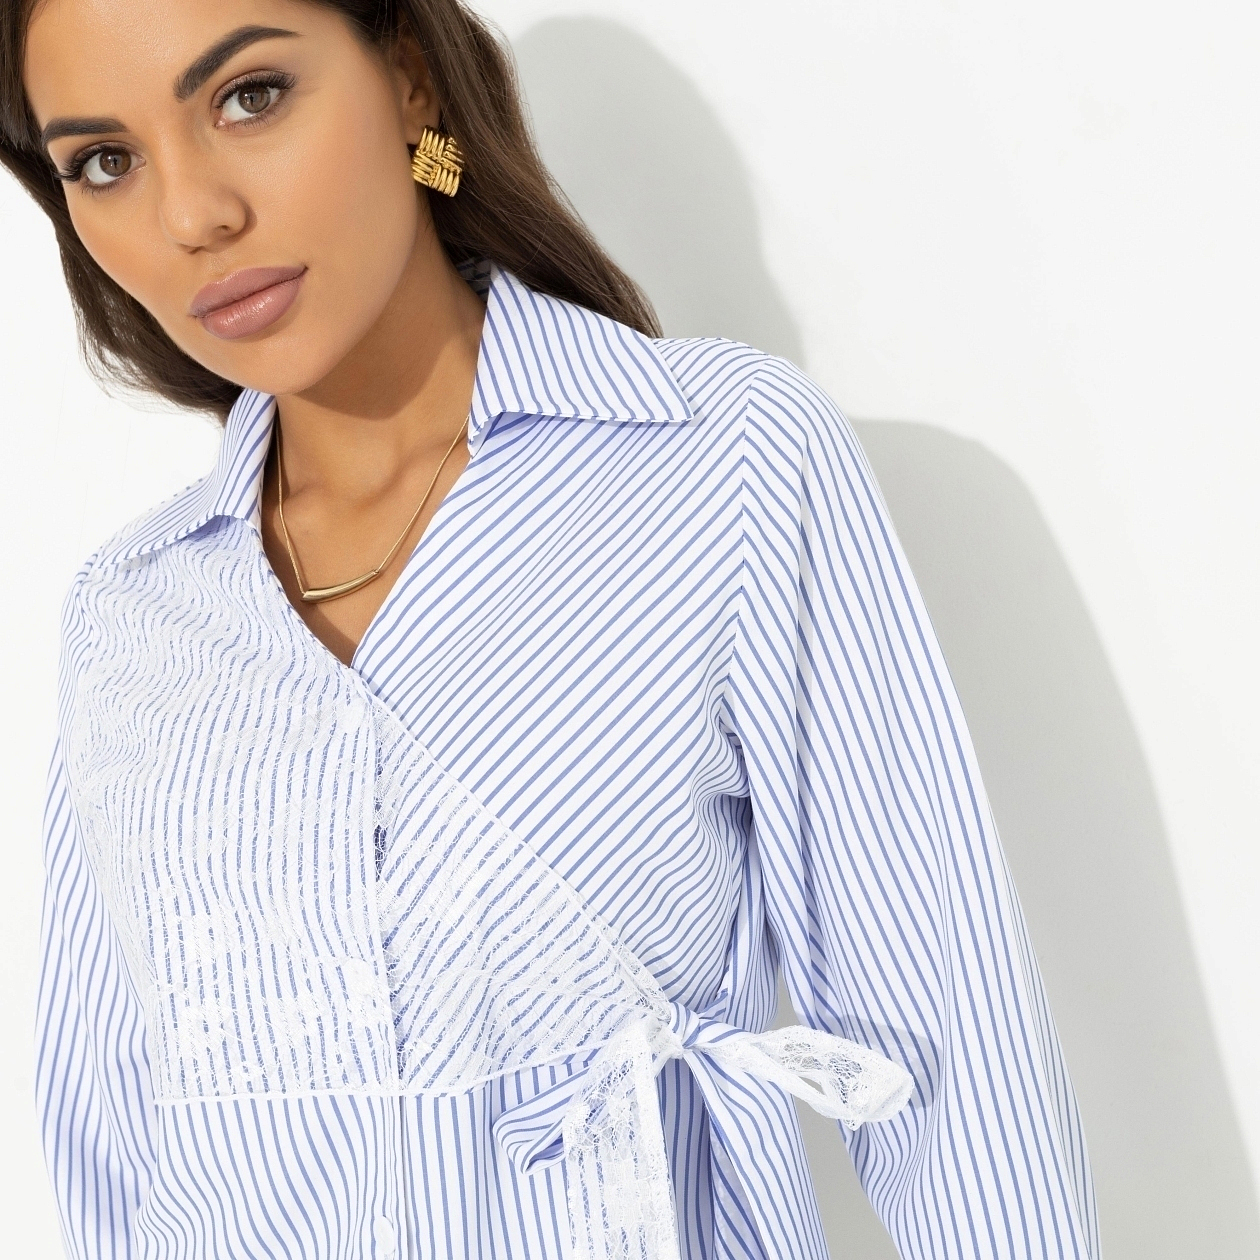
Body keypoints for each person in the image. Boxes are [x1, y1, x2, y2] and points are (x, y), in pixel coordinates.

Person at [3, 1, 1099, 1257]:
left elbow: (947, 1049)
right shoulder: (132, 611)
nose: (192, 214)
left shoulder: (722, 459)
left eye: (250, 96)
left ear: (410, 80)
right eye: (105, 160)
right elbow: (111, 1147)